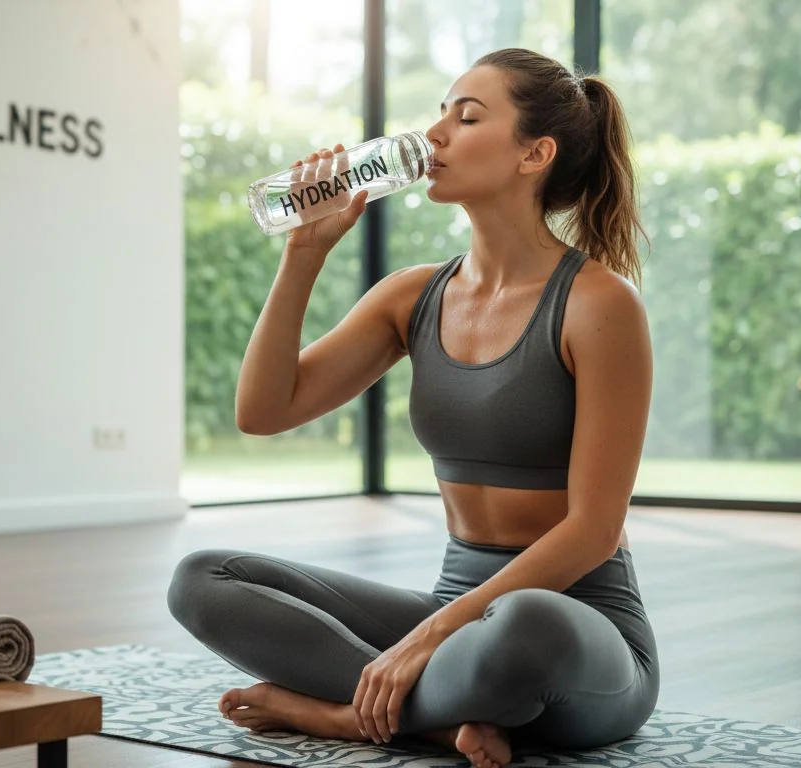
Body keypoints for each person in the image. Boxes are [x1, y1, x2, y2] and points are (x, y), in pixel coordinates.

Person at [168, 47, 657, 768]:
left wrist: (425, 640)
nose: (435, 136)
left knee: (524, 625)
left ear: (535, 154)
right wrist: (303, 253)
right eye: (439, 114)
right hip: (455, 610)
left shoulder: (599, 305)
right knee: (203, 579)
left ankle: (347, 716)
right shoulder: (414, 296)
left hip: (575, 627)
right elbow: (264, 412)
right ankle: (432, 722)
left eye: (467, 117)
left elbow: (593, 530)